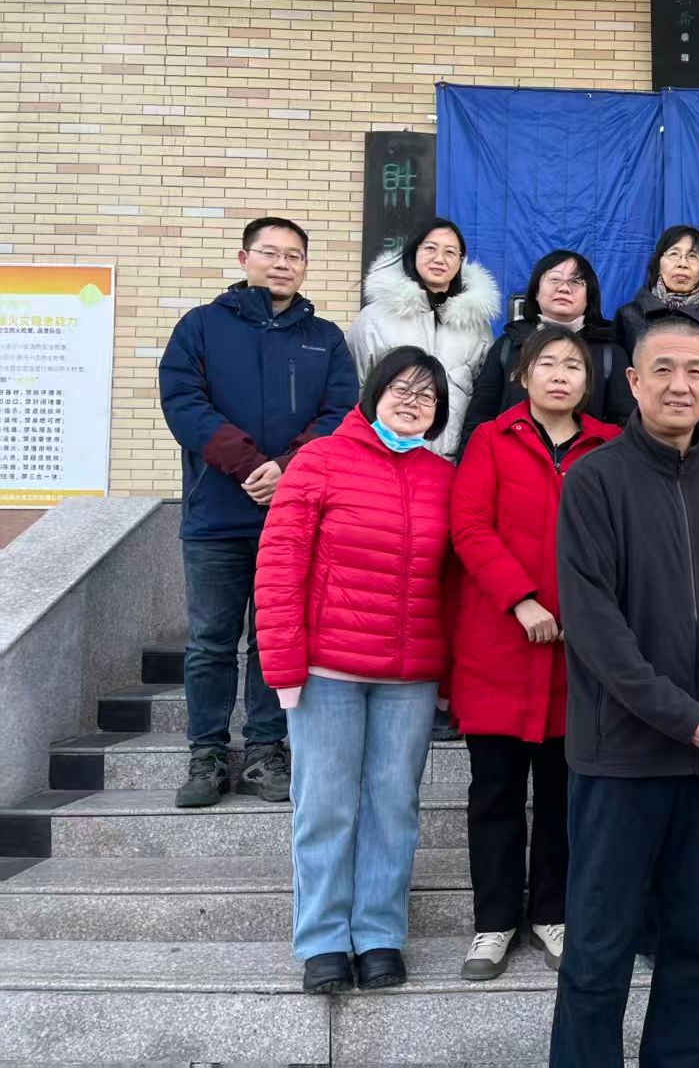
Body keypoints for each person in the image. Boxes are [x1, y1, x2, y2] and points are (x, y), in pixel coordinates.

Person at [550, 314, 699, 1066]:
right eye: (664, 369)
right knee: (600, 945)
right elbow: (594, 626)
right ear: (632, 381)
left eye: (697, 371)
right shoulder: (595, 479)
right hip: (622, 754)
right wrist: (678, 714)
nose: (681, 385)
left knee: (694, 938)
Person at [252, 348, 456, 995]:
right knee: (325, 805)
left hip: (411, 675)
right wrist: (283, 663)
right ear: (373, 393)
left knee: (394, 806)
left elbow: (454, 582)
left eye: (427, 395)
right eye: (401, 388)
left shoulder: (444, 476)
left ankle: (379, 935)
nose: (412, 402)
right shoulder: (319, 460)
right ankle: (322, 940)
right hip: (327, 670)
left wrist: (452, 675)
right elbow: (280, 565)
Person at [158, 216, 358, 809]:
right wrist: (250, 465)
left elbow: (341, 413)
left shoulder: (326, 338)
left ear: (306, 266)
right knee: (211, 640)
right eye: (270, 252)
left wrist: (289, 467)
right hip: (216, 516)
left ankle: (266, 750)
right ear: (244, 259)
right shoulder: (201, 327)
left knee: (277, 637)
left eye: (294, 255)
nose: (282, 263)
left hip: (295, 517)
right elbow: (183, 403)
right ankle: (207, 753)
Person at [450, 326, 621, 982]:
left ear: (588, 382)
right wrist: (521, 599)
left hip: (577, 657)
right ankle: (494, 920)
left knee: (561, 794)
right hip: (499, 646)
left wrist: (591, 611)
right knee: (494, 792)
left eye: (573, 365)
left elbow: (621, 540)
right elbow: (469, 526)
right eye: (546, 363)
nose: (560, 374)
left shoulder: (609, 446)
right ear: (522, 375)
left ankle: (553, 911)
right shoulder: (491, 440)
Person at [348, 218, 500, 459]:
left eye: (450, 252)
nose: (439, 259)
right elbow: (353, 388)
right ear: (413, 252)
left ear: (460, 261)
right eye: (430, 248)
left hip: (448, 462)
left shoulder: (476, 326)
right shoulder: (375, 317)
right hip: (380, 456)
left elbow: (483, 399)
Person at [459, 249, 634, 451]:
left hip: (586, 465)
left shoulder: (609, 352)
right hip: (512, 463)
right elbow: (479, 418)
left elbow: (626, 424)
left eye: (576, 282)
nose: (564, 288)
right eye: (554, 279)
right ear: (536, 291)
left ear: (590, 297)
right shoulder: (509, 345)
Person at [613, 225, 699, 358]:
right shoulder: (628, 317)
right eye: (674, 254)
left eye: (692, 256)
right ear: (658, 265)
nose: (682, 264)